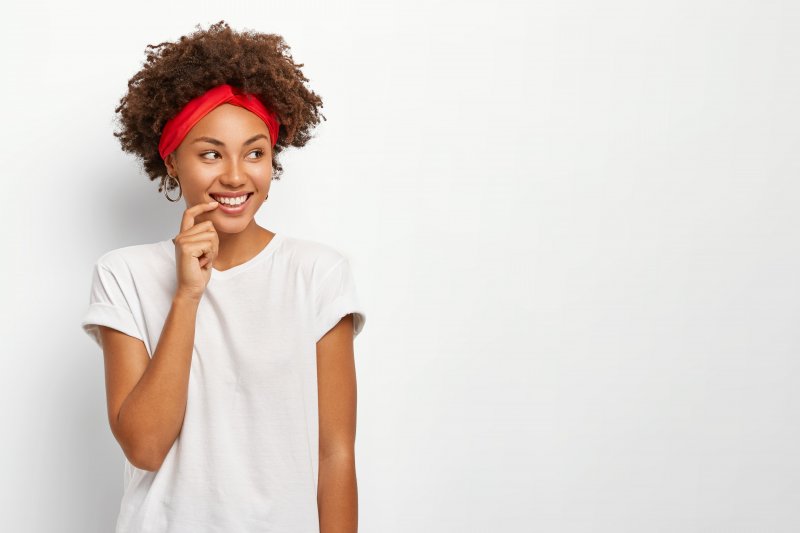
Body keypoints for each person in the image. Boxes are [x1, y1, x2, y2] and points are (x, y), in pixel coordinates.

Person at [80, 20, 366, 533]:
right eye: (210, 153)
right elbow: (144, 447)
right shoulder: (124, 275)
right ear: (172, 161)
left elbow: (335, 457)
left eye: (254, 153)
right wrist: (188, 294)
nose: (235, 176)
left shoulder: (316, 274)